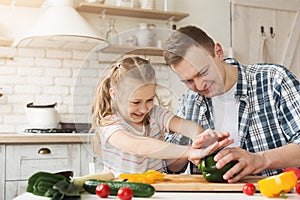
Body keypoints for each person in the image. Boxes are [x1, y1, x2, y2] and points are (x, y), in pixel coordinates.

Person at [163, 25, 300, 183]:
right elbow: (169, 165)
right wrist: (189, 151)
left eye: (203, 72)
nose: (199, 86)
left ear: (218, 52)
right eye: (188, 81)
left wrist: (261, 159)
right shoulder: (189, 101)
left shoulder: (274, 80)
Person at [91, 56, 233, 177]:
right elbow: (140, 146)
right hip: (121, 192)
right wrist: (188, 151)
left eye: (149, 100)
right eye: (135, 102)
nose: (144, 108)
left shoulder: (156, 114)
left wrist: (201, 138)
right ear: (114, 94)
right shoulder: (109, 122)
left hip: (156, 190)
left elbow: (189, 127)